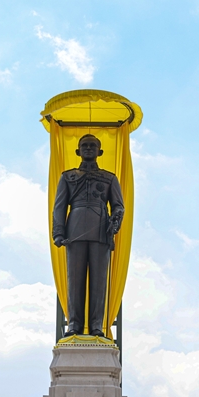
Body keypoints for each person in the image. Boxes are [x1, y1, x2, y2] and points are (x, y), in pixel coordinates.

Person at [52, 134, 125, 337]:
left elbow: (118, 205)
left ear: (100, 152)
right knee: (74, 280)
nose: (89, 148)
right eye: (84, 145)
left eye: (93, 145)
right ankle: (74, 325)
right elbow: (59, 207)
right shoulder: (67, 177)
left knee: (99, 281)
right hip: (74, 229)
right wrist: (58, 232)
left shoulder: (109, 178)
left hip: (101, 230)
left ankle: (96, 326)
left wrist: (116, 219)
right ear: (78, 151)